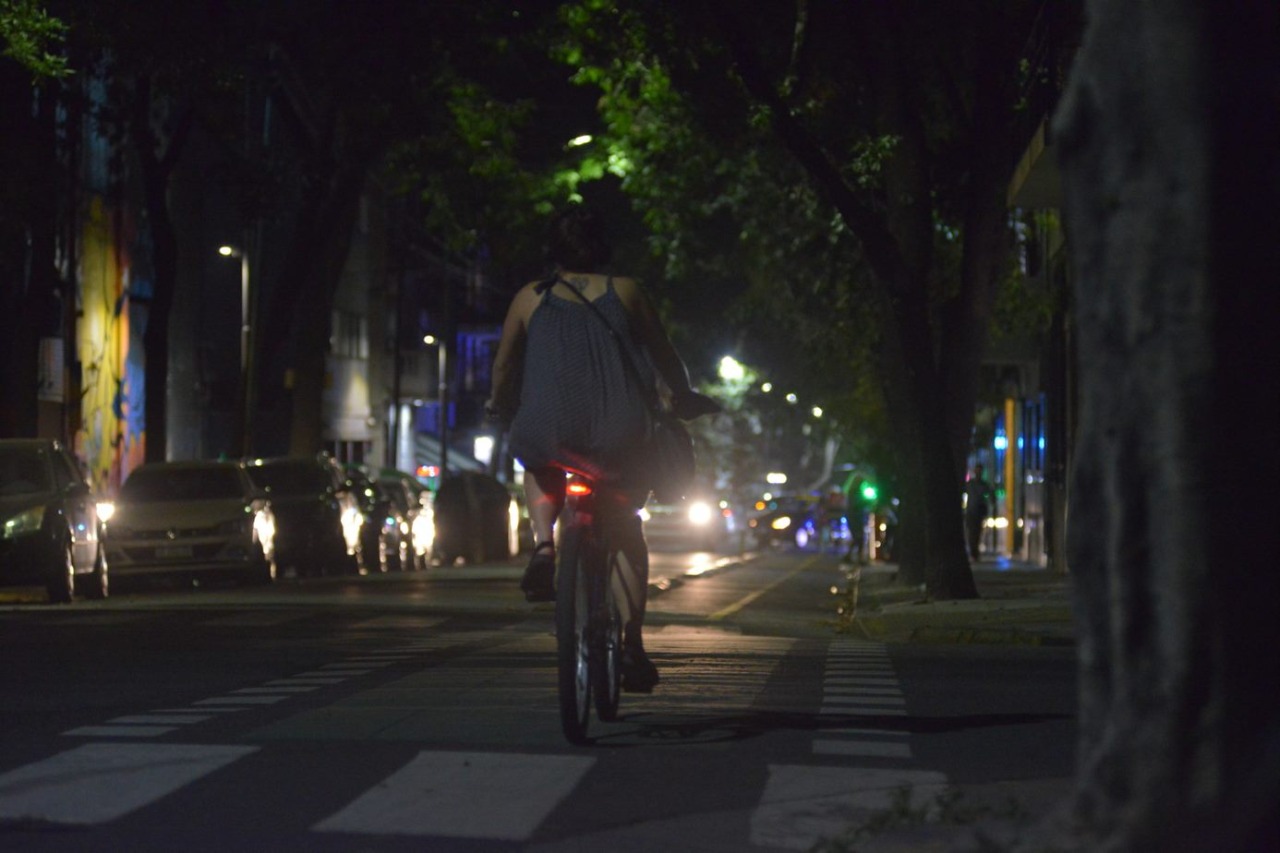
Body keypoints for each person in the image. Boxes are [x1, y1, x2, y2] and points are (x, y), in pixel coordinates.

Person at [485, 205, 718, 692]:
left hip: (549, 428)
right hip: (620, 433)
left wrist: (498, 404)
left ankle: (544, 545)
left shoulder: (530, 298)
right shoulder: (627, 292)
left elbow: (505, 367)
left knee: (537, 461)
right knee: (628, 533)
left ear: (553, 250)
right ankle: (631, 644)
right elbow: (664, 355)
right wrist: (682, 395)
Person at [963, 463, 996, 560]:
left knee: (976, 533)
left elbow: (991, 495)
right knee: (972, 533)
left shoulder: (981, 485)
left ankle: (974, 552)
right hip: (971, 512)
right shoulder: (972, 484)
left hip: (978, 512)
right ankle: (974, 552)